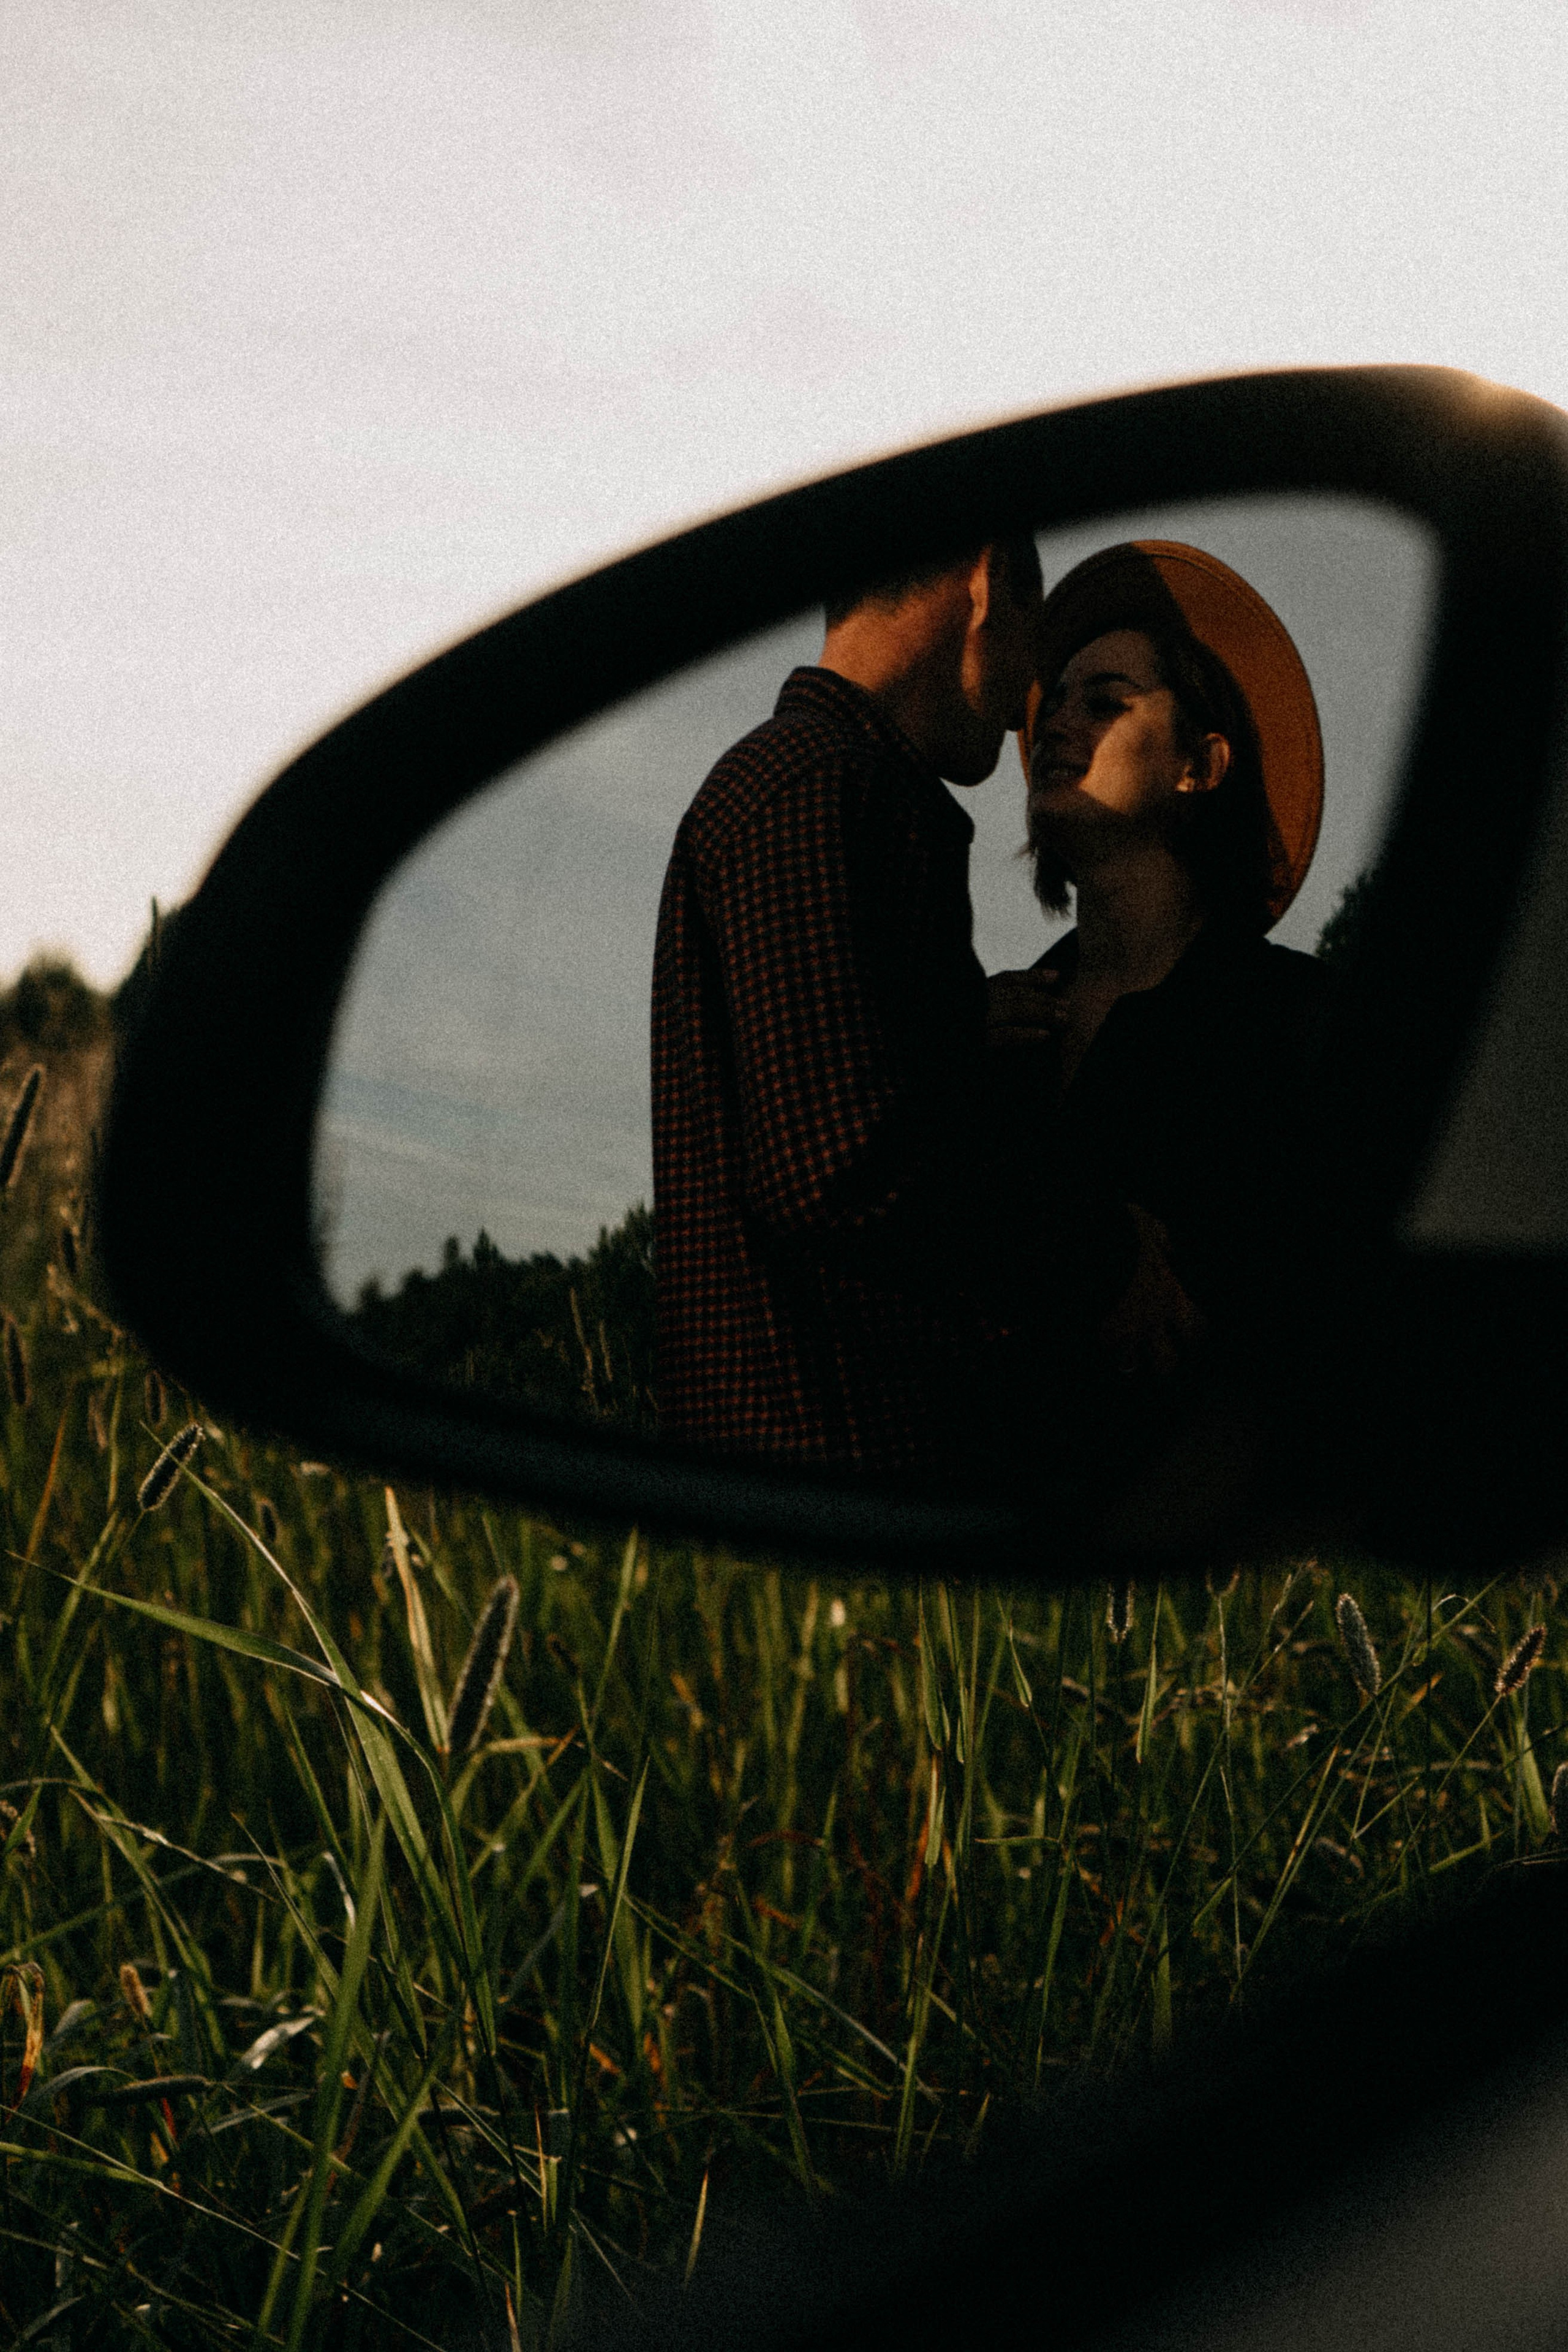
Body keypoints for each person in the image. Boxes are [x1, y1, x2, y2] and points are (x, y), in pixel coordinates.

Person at [652, 538, 1043, 1479]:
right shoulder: (818, 781)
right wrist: (1103, 1260)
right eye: (1037, 633)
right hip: (844, 1459)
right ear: (985, 584)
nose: (1031, 687)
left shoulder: (825, 784)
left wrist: (955, 1033)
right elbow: (840, 1165)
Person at [987, 540, 1331, 1425]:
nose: (1057, 724)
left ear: (1201, 766)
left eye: (1106, 702)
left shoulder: (1304, 1024)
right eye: (1056, 702)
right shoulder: (994, 1027)